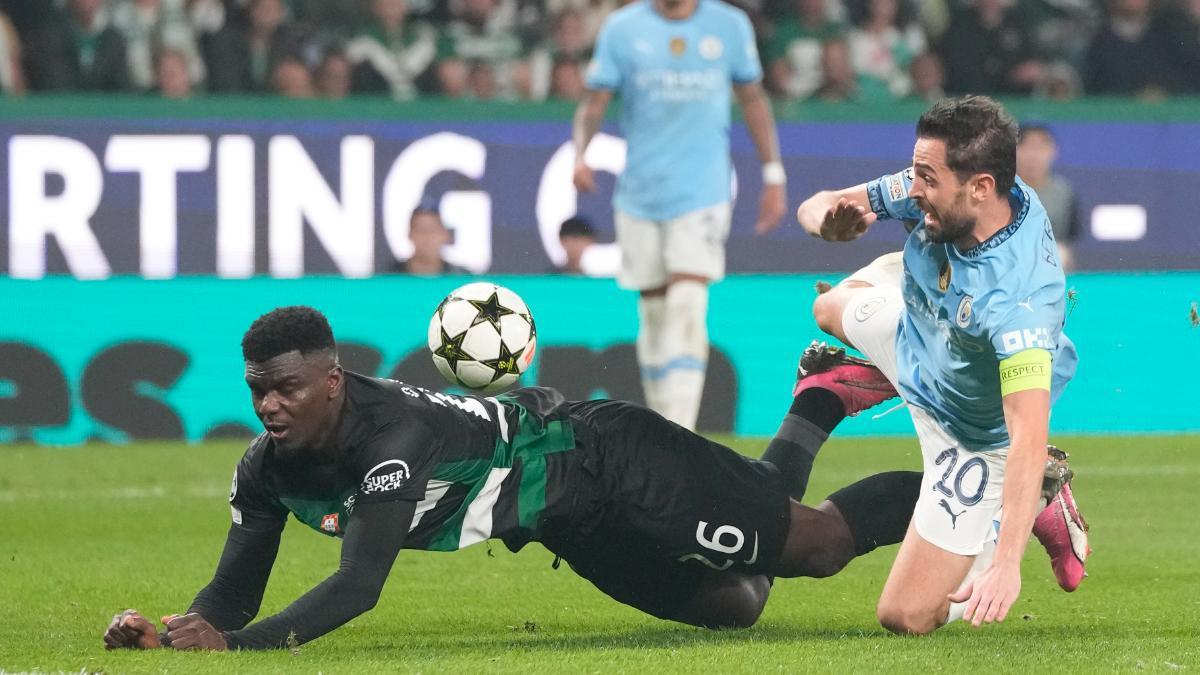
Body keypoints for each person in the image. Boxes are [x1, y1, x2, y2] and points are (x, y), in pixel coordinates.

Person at [103, 306, 934, 650]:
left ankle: (980, 495)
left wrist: (237, 648)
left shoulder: (392, 436)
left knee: (816, 546)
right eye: (258, 390)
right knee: (738, 601)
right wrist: (176, 633)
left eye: (285, 388)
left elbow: (358, 585)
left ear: (331, 380)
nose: (269, 406)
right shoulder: (265, 467)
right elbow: (231, 595)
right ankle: (821, 399)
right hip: (563, 521)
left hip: (610, 459)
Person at [792, 96, 1090, 634]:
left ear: (980, 187)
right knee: (828, 307)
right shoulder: (944, 191)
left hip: (970, 430)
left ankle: (1038, 503)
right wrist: (825, 225)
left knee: (905, 616)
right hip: (918, 337)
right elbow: (821, 202)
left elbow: (1027, 437)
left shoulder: (1019, 303)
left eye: (927, 178)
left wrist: (1005, 565)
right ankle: (880, 377)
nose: (912, 189)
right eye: (916, 172)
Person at [572, 0, 788, 432]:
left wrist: (773, 173)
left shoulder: (729, 25)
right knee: (654, 313)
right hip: (640, 193)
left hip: (703, 191)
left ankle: (681, 431)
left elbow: (753, 99)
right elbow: (594, 102)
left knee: (688, 302)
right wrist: (580, 153)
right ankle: (663, 426)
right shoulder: (622, 28)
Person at [1016, 125, 1079, 271]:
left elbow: (1068, 240)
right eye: (1026, 146)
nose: (1033, 155)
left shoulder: (1064, 192)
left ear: (1053, 151)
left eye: (1040, 147)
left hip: (1050, 264)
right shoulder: (998, 190)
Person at [394, 207, 469, 275]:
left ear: (445, 235)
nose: (427, 236)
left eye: (433, 230)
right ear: (410, 234)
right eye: (420, 229)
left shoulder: (462, 277)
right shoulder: (390, 275)